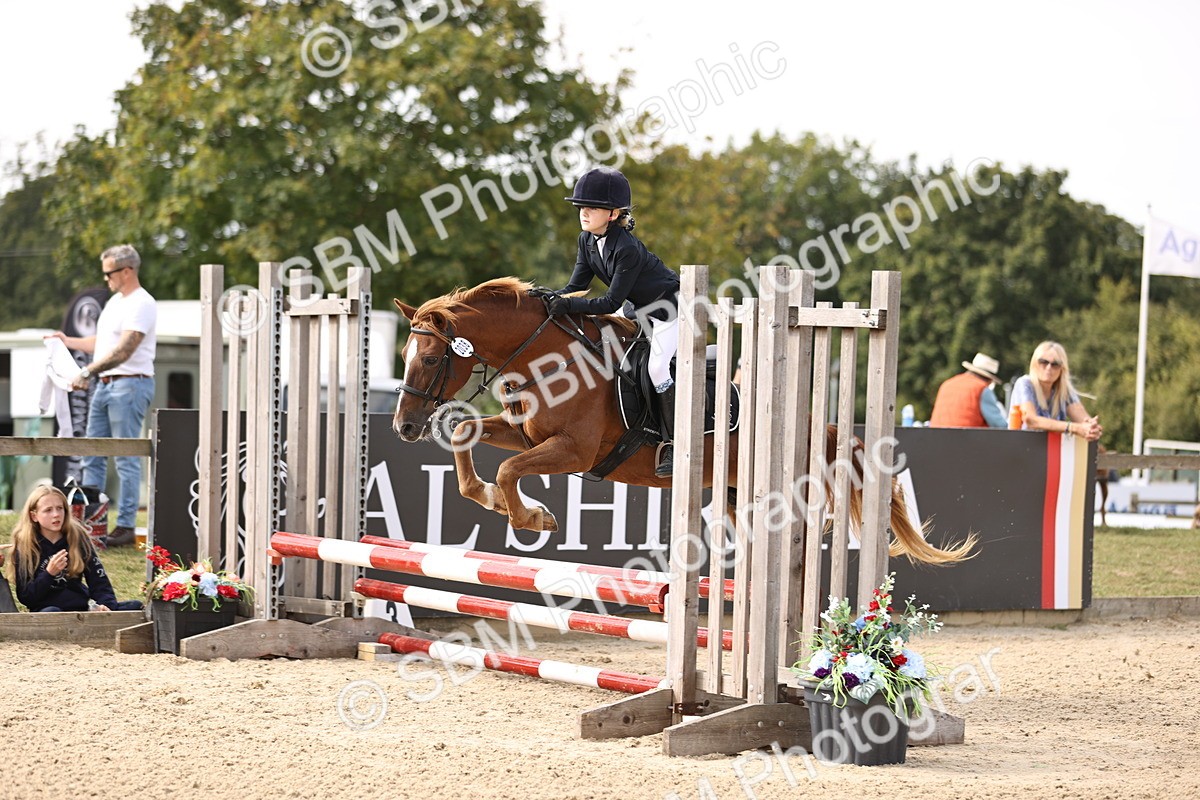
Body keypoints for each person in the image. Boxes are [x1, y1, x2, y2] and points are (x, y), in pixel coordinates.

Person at [541, 166, 681, 477]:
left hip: (668, 309)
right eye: (582, 206)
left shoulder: (627, 248)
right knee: (603, 352)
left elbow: (609, 302)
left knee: (657, 367)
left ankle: (674, 443)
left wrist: (566, 305)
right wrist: (547, 298)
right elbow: (575, 287)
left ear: (614, 212)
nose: (583, 211)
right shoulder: (586, 240)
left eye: (592, 207)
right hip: (636, 308)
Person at [46, 245, 157, 547]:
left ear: (127, 271)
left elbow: (125, 349)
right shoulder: (115, 303)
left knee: (125, 457)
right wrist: (67, 340)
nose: (105, 278)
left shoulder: (142, 303)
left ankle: (126, 526)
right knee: (91, 451)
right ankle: (90, 520)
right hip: (106, 384)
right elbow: (104, 342)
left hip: (130, 383)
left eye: (109, 273)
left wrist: (86, 372)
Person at [6, 484, 144, 613]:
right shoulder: (25, 544)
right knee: (53, 613)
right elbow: (26, 597)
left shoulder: (77, 536)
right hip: (47, 612)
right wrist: (49, 574)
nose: (56, 514)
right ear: (34, 516)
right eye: (48, 510)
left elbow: (99, 582)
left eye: (60, 508)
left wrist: (106, 607)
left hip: (81, 609)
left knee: (135, 606)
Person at [1010, 341, 1102, 441]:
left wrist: (1092, 428)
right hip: (1020, 448)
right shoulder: (1025, 383)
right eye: (1043, 362)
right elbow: (1031, 420)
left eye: (1055, 364)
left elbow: (1083, 420)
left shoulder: (1064, 390)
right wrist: (1073, 428)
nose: (1049, 368)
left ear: (1062, 369)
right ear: (1035, 364)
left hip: (1051, 451)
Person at [930, 352, 1008, 429]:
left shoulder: (947, 384)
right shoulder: (982, 389)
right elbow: (999, 424)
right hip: (966, 439)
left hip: (935, 437)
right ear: (990, 379)